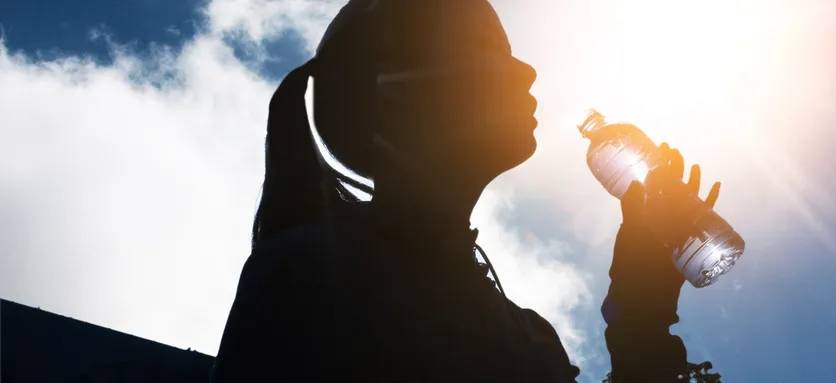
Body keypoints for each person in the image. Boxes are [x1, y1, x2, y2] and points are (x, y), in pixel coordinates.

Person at [212, 0, 723, 381]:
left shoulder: (528, 335)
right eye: (485, 49)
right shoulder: (312, 275)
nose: (526, 70)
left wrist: (639, 308)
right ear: (396, 90)